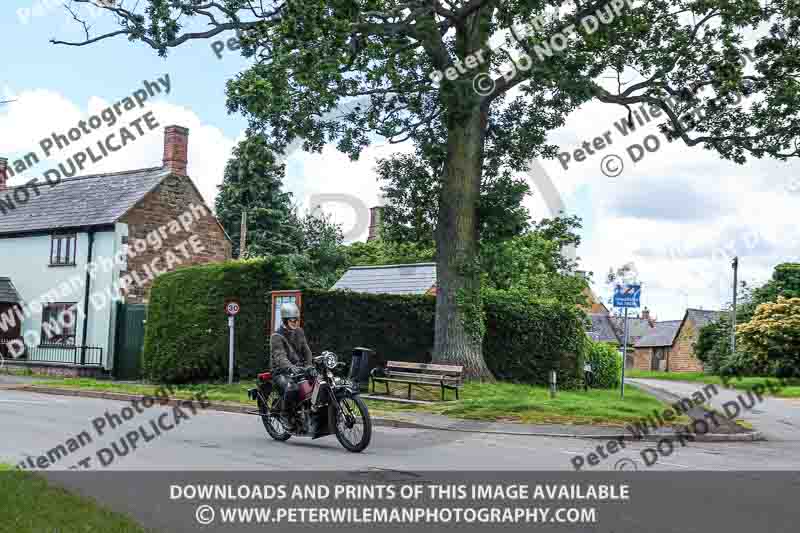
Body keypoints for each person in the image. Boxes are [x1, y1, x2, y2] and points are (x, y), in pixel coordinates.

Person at [270, 302, 313, 427]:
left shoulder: (299, 331)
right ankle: (285, 415)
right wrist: (291, 368)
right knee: (293, 387)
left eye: (296, 319)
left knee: (317, 383)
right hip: (280, 371)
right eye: (292, 320)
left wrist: (309, 365)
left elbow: (307, 350)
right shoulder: (276, 336)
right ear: (285, 320)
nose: (295, 322)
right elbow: (280, 357)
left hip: (298, 368)